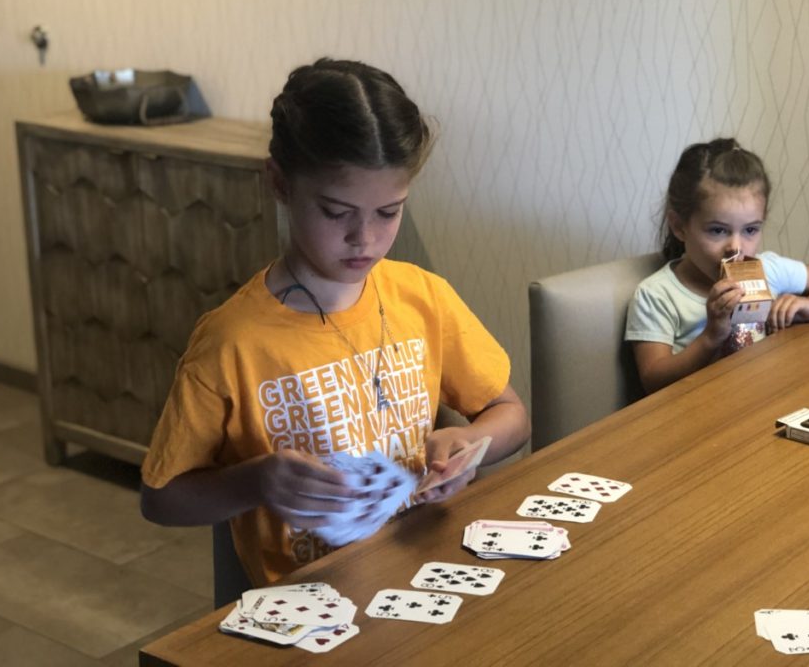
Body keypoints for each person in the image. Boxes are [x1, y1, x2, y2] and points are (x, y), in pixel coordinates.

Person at [140, 58, 531, 586]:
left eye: (388, 213)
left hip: (421, 572)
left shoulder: (422, 296)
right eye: (335, 211)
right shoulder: (232, 341)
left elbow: (510, 414)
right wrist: (257, 481)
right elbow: (162, 498)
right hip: (310, 608)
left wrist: (467, 444)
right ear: (280, 183)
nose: (363, 238)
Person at [625, 138, 809, 395]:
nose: (736, 247)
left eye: (750, 230)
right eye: (718, 230)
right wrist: (710, 337)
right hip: (699, 416)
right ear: (679, 226)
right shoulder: (657, 295)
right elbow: (652, 380)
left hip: (764, 400)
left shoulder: (767, 270)